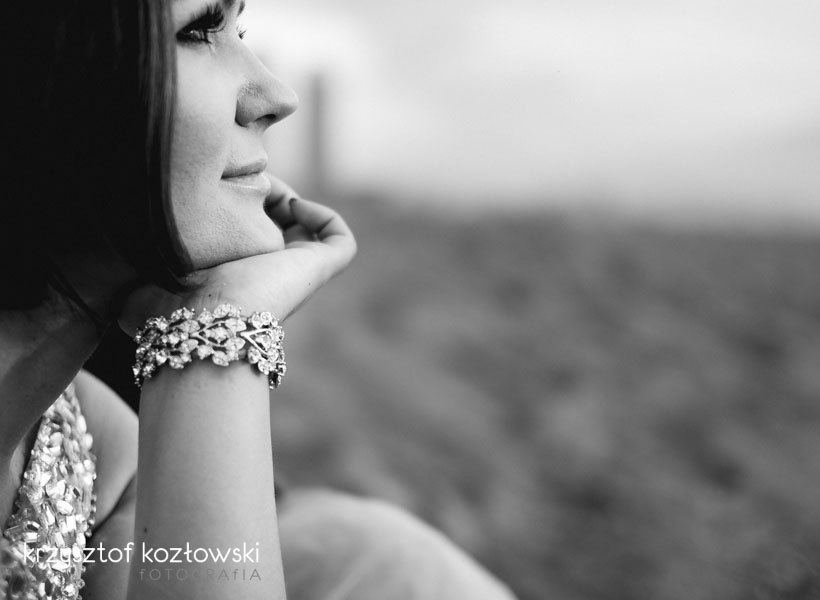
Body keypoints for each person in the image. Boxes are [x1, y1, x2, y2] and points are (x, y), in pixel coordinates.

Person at [1, 0, 516, 598]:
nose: (278, 97)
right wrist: (214, 338)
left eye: (238, 29)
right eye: (199, 31)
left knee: (392, 565)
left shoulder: (90, 448)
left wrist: (210, 324)